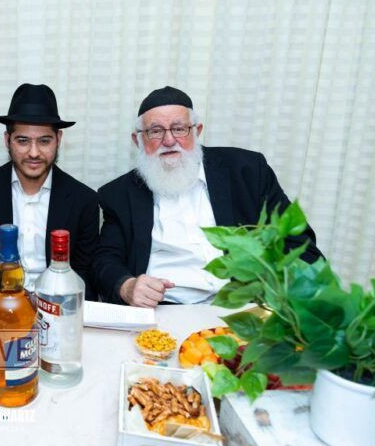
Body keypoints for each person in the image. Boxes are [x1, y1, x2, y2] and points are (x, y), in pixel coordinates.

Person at [94, 86, 322, 307]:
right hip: (164, 309)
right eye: (155, 131)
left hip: (244, 308)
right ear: (138, 140)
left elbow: (297, 241)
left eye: (179, 128)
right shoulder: (119, 194)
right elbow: (105, 260)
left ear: (197, 131)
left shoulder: (248, 172)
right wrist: (127, 285)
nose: (169, 140)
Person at [0, 83, 99, 302]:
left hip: (56, 307)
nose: (34, 153)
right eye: (23, 141)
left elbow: (85, 271)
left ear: (58, 139)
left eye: (44, 141)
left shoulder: (83, 199)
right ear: (7, 140)